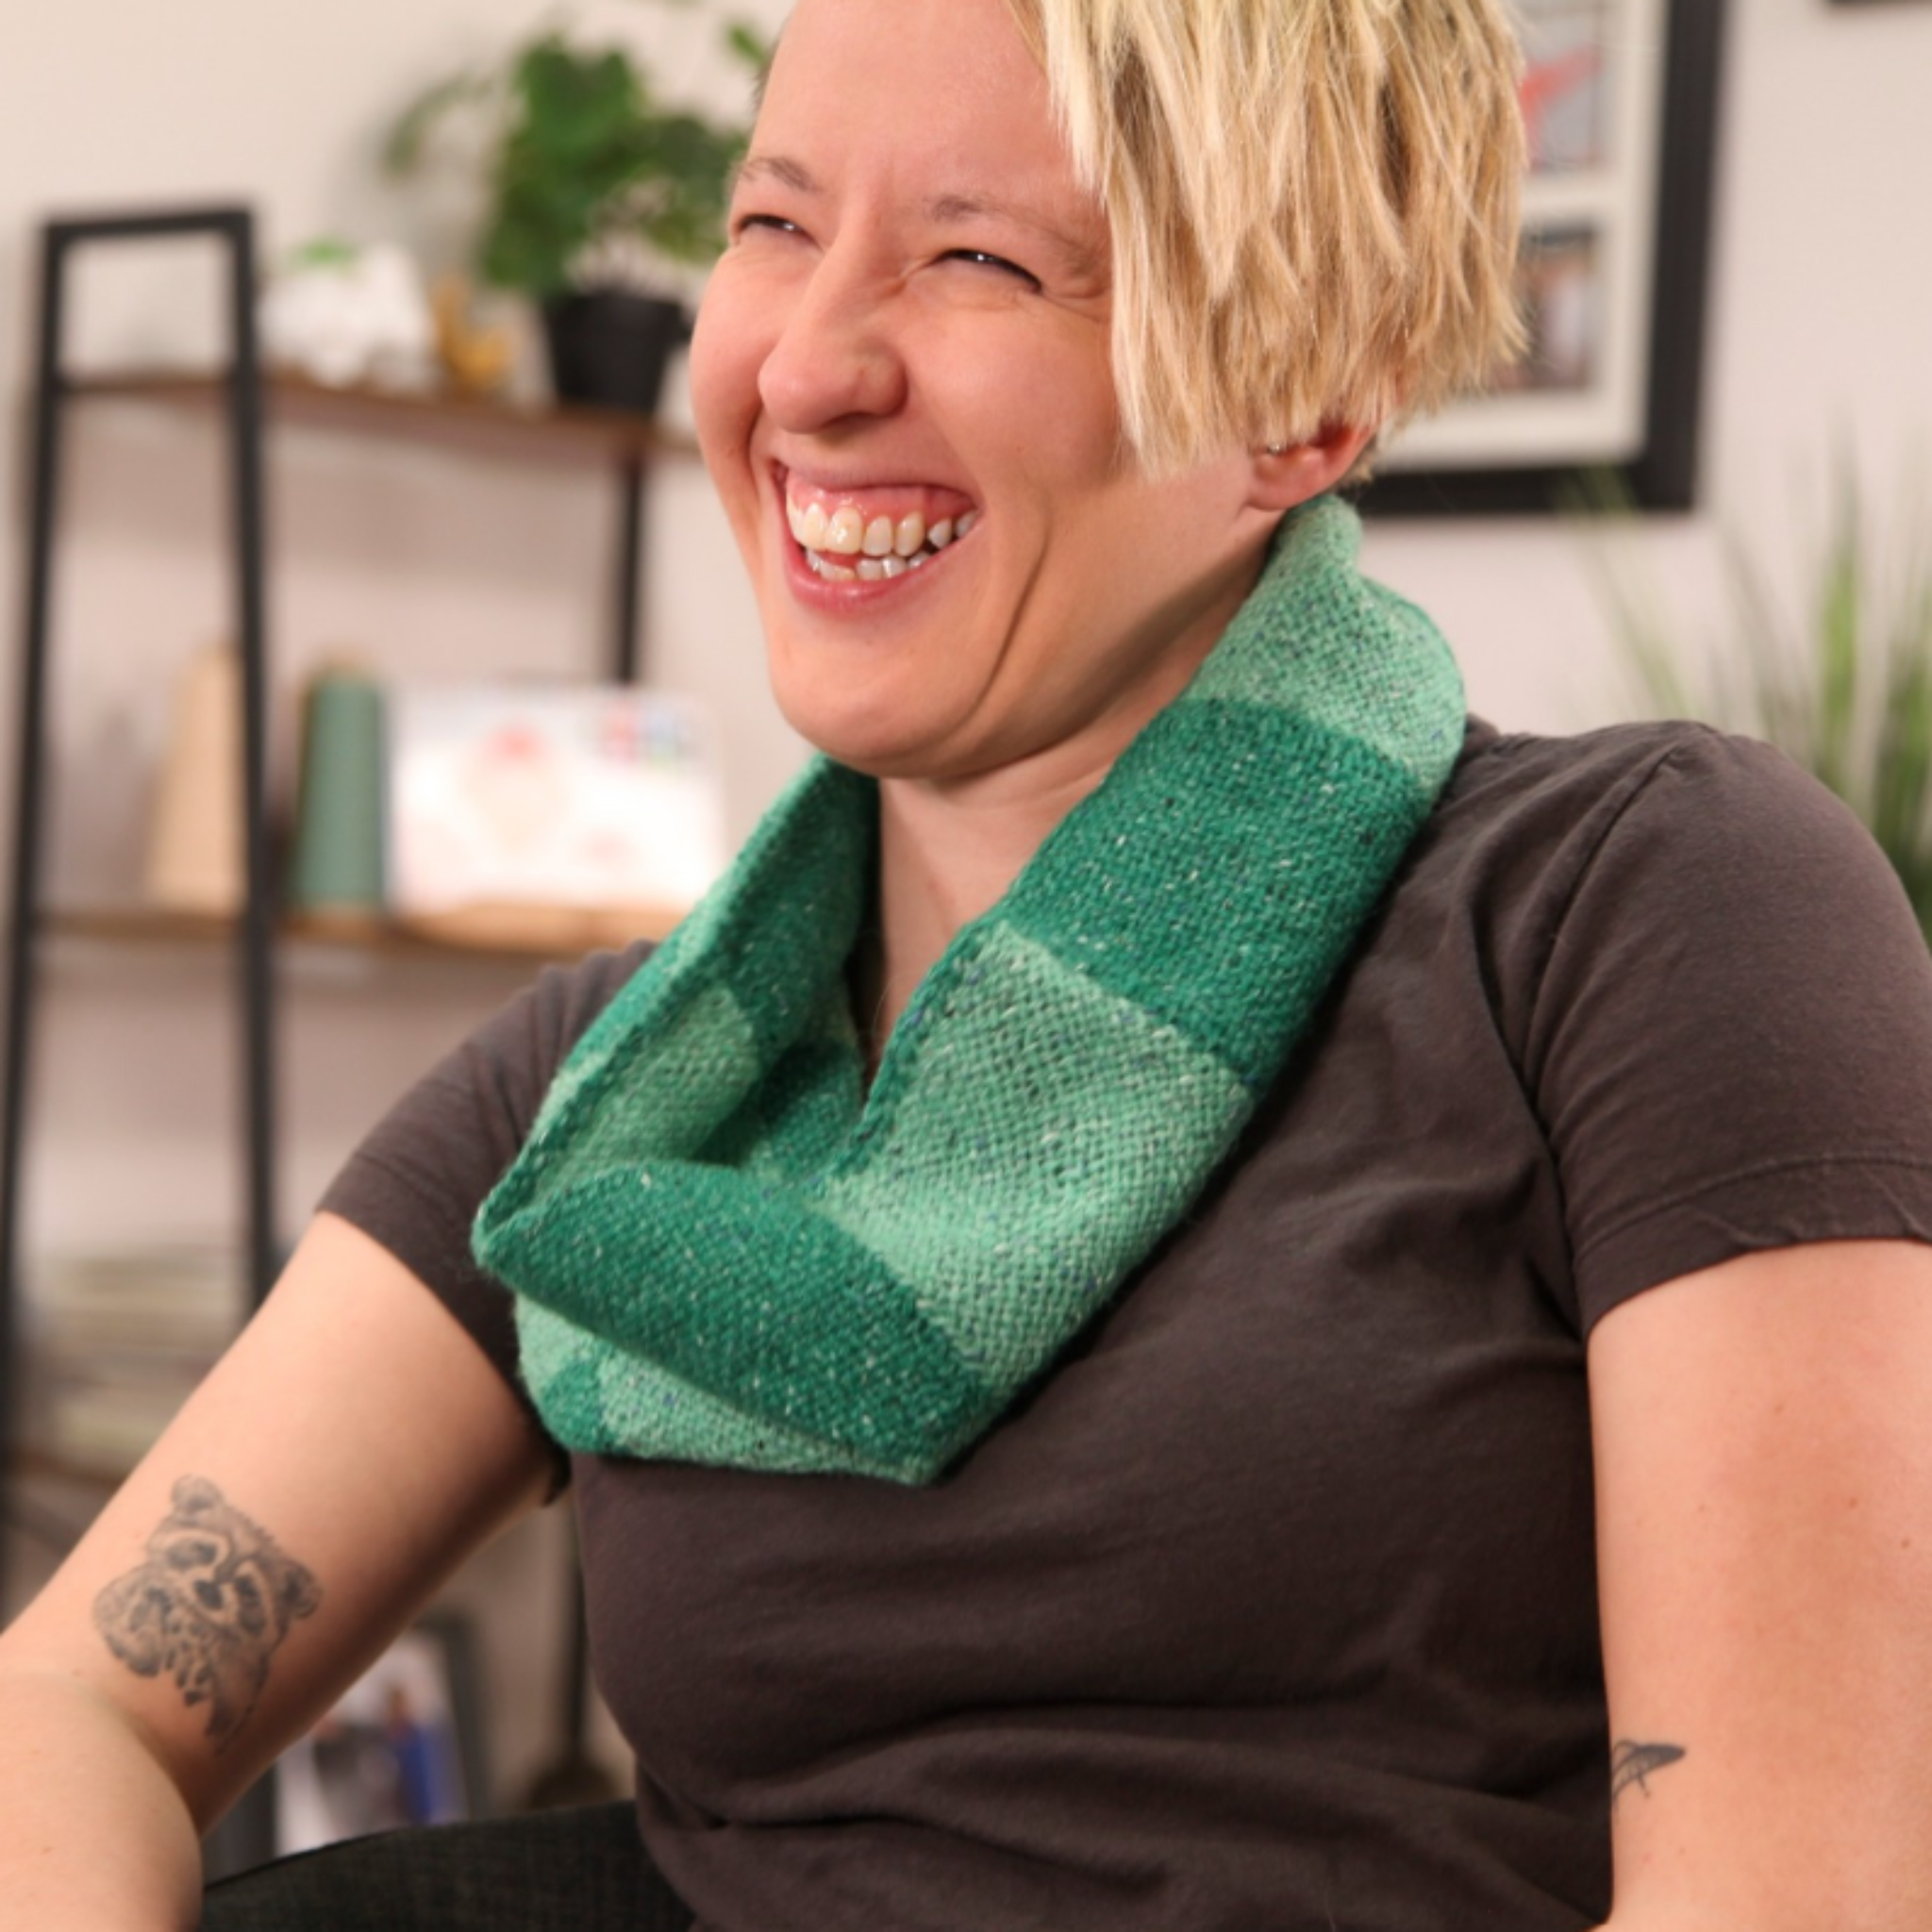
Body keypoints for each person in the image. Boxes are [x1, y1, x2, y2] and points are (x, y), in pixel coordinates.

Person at [6, 0, 1932, 1926]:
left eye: (979, 259)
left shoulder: (1640, 910)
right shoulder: (619, 1095)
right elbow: (72, 1701)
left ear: (1305, 405)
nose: (807, 365)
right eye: (769, 226)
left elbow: (1789, 1896)